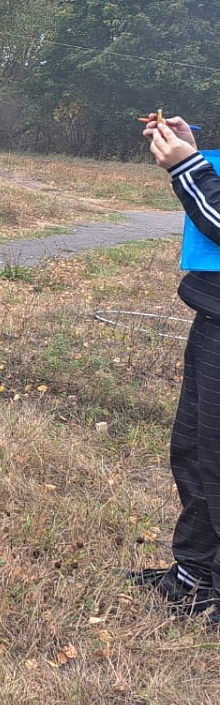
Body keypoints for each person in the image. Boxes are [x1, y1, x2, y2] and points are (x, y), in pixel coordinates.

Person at [131, 114, 220, 621]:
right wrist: (194, 154)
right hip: (214, 315)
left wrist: (188, 168)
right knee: (196, 453)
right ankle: (192, 573)